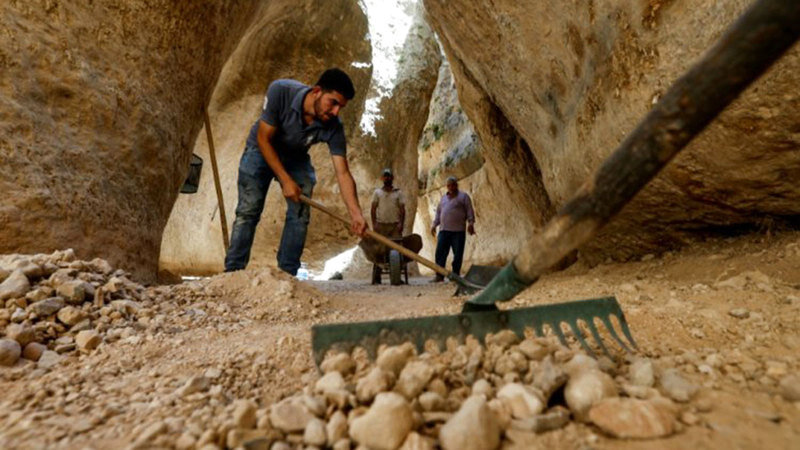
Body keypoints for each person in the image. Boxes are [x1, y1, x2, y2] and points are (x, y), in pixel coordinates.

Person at [224, 68, 368, 275]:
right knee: (248, 210)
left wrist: (356, 214)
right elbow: (264, 139)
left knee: (300, 211)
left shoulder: (333, 126)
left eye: (341, 107)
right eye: (333, 103)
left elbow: (343, 173)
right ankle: (233, 271)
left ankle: (287, 274)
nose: (336, 112)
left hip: (295, 156)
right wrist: (285, 180)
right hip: (262, 149)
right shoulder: (281, 91)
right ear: (317, 91)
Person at [430, 176, 475, 282]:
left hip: (458, 232)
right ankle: (439, 275)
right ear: (447, 186)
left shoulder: (463, 197)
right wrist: (434, 225)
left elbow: (469, 211)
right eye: (449, 185)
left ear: (456, 185)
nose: (451, 187)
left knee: (458, 254)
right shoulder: (443, 199)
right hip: (444, 230)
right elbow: (439, 213)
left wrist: (471, 223)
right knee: (440, 253)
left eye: (453, 184)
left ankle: (455, 275)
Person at [369, 168, 406, 284]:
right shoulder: (377, 193)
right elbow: (373, 208)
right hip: (381, 225)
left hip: (394, 225)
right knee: (379, 251)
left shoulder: (398, 193)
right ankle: (377, 277)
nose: (387, 178)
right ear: (382, 178)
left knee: (397, 249)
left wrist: (401, 223)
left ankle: (397, 276)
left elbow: (402, 210)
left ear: (392, 178)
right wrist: (374, 223)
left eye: (389, 176)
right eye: (385, 176)